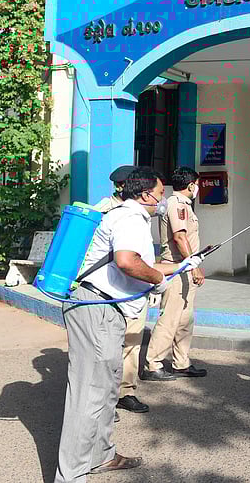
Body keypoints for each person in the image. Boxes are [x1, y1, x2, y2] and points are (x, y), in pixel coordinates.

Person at [55, 167, 203, 482]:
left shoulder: (129, 216)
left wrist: (181, 265)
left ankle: (101, 455)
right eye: (160, 195)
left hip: (106, 310)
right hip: (96, 308)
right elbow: (127, 262)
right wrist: (160, 279)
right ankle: (71, 475)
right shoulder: (130, 217)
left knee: (106, 388)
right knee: (89, 393)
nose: (162, 202)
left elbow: (139, 262)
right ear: (144, 194)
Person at [93, 165, 150, 416]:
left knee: (132, 342)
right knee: (107, 347)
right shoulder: (104, 209)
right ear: (122, 186)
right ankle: (105, 399)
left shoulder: (138, 211)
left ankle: (126, 391)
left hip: (133, 288)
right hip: (110, 289)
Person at [143, 166, 207, 380]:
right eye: (196, 184)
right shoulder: (176, 204)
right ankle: (153, 364)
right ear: (190, 185)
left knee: (185, 320)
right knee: (170, 318)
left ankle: (181, 362)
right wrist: (194, 266)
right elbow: (180, 237)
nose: (197, 188)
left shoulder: (184, 205)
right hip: (177, 268)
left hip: (185, 268)